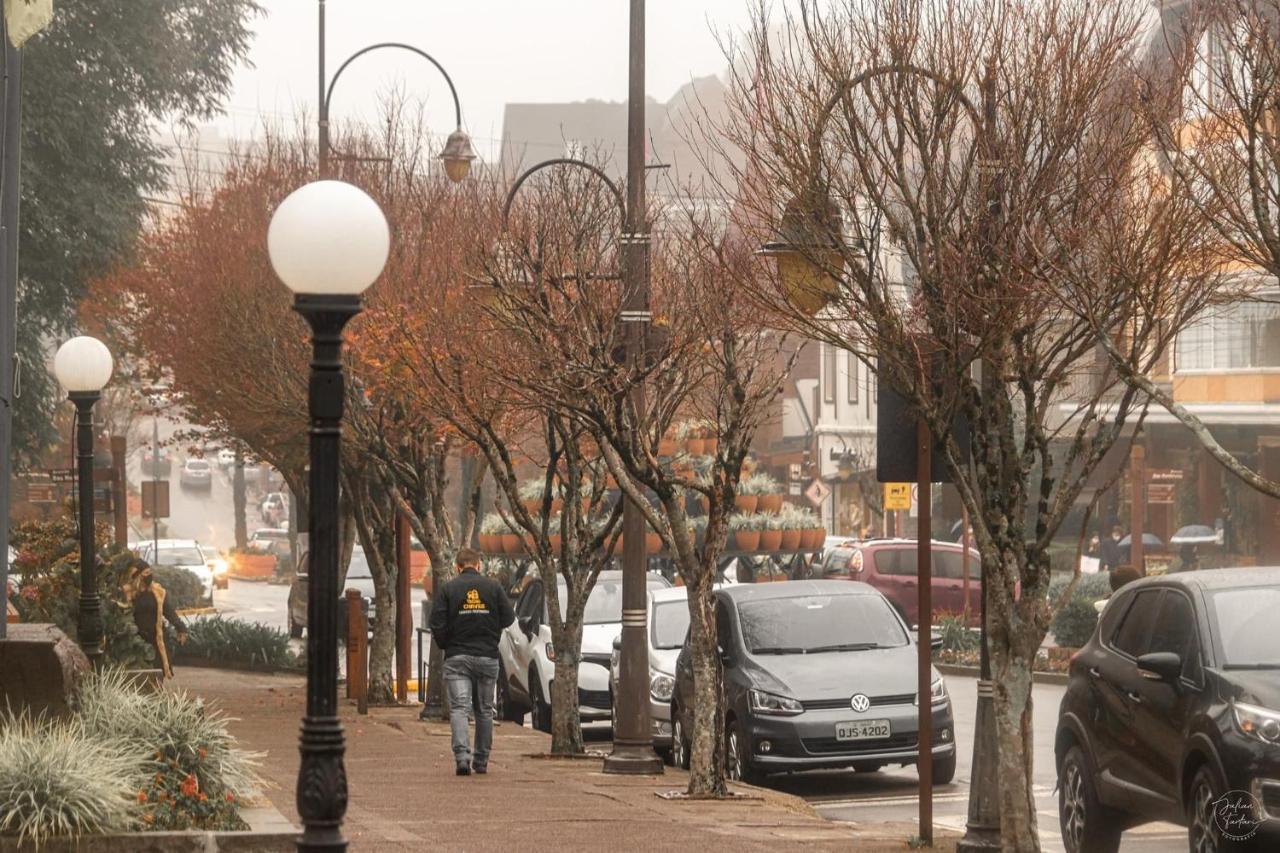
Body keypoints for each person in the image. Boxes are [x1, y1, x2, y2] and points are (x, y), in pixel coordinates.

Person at [428, 547, 515, 776]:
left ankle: (462, 757)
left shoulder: (449, 589)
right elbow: (509, 618)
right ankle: (482, 760)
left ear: (457, 567)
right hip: (487, 656)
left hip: (457, 657)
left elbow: (436, 623)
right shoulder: (493, 588)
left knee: (459, 708)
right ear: (479, 565)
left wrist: (448, 644)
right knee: (485, 710)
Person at [125, 559, 188, 678]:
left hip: (155, 639)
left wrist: (181, 628)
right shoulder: (128, 594)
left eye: (150, 572)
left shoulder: (157, 592)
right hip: (137, 641)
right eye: (146, 573)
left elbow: (169, 612)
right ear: (138, 576)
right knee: (140, 677)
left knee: (157, 676)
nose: (149, 576)